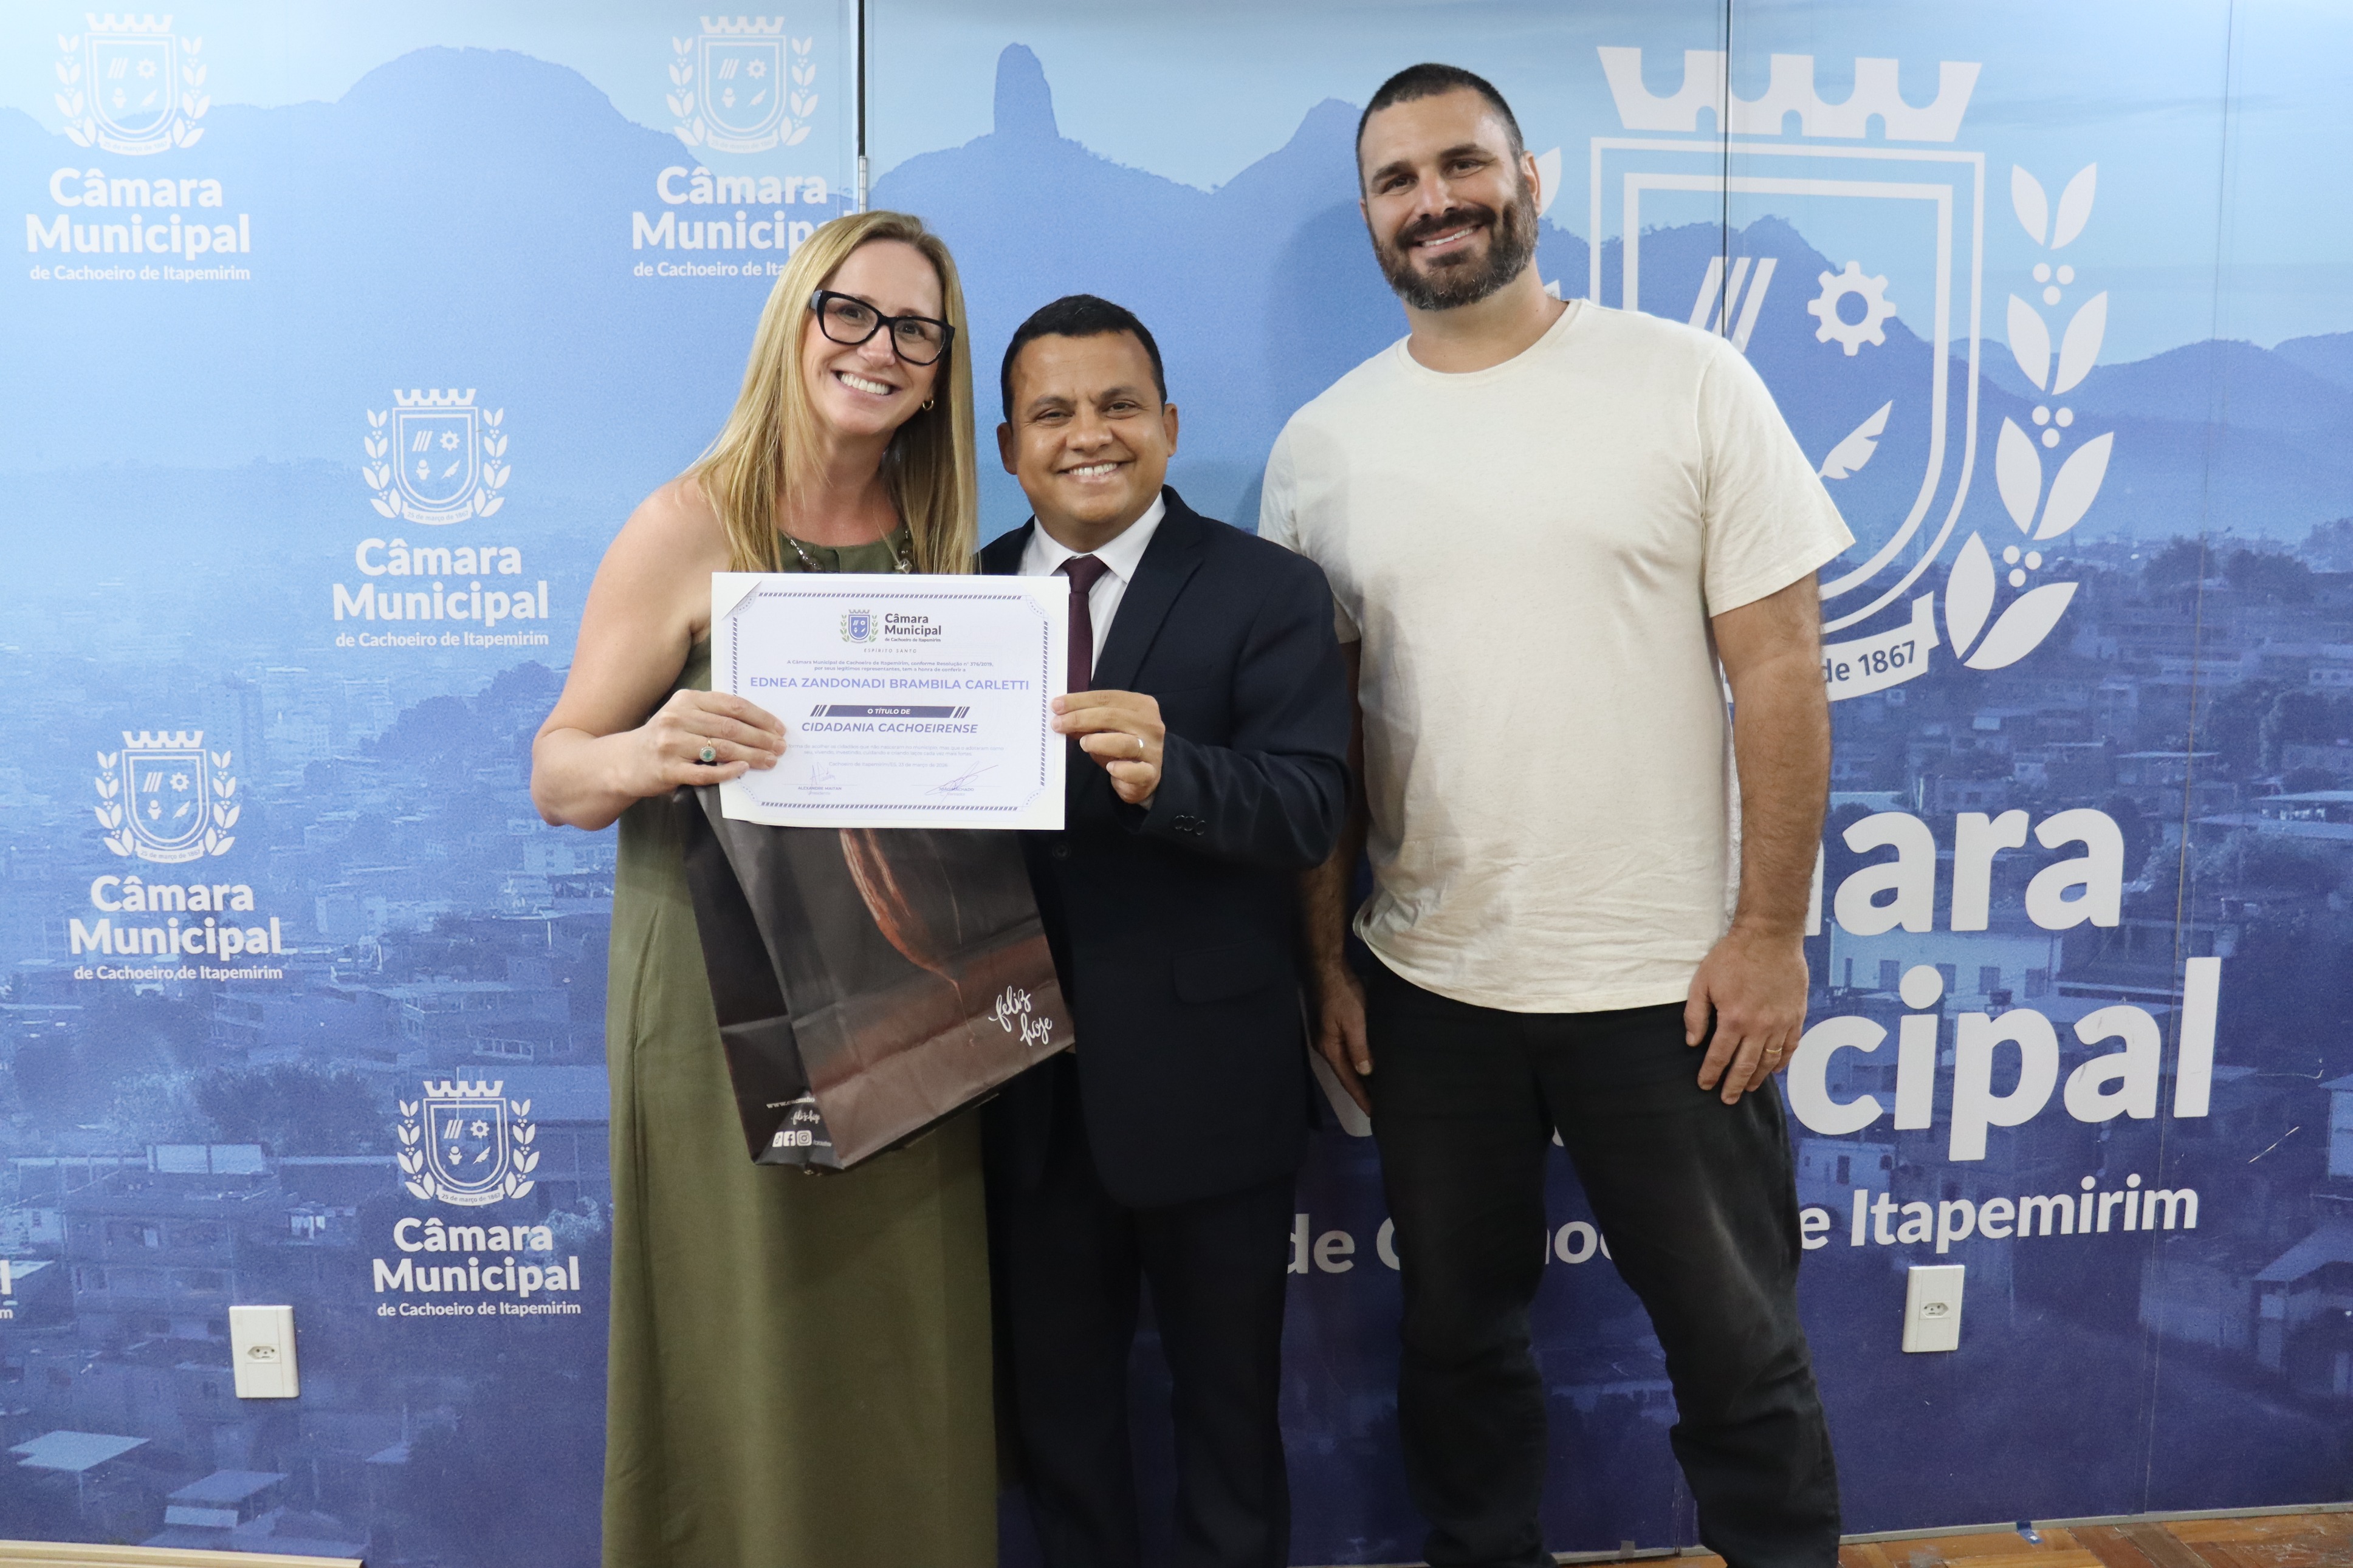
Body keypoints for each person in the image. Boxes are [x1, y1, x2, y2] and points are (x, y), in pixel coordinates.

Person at [1259, 64, 1852, 1568]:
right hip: (1431, 984)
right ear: (1369, 216)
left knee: (1737, 1351)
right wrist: (1326, 963)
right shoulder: (1322, 445)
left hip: (1673, 984)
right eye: (1397, 180)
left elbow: (1781, 669)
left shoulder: (1688, 383)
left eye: (1462, 164)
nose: (1434, 200)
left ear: (1534, 179)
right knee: (1456, 1347)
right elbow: (1326, 734)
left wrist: (1768, 934)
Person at [529, 211, 995, 1568]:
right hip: (716, 995)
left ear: (941, 368)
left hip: (905, 990)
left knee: (902, 1331)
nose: (878, 349)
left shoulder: (939, 541)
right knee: (740, 1319)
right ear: (795, 322)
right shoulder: (686, 523)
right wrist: (645, 749)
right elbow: (558, 773)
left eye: (915, 331)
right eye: (849, 313)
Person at [980, 293, 1350, 1568]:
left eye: (1119, 405)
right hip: (1017, 1091)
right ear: (1009, 446)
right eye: (1053, 412)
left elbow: (1311, 807)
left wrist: (1175, 772)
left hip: (1210, 1087)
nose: (1089, 434)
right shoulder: (956, 599)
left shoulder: (1270, 589)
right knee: (1059, 1425)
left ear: (1171, 426)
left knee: (1230, 1421)